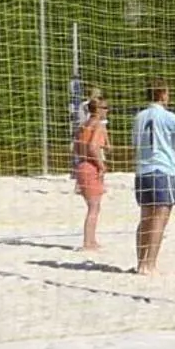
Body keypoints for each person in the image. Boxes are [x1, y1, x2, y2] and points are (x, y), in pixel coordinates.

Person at [132, 82, 175, 275]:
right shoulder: (166, 116)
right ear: (162, 95)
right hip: (162, 169)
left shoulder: (139, 117)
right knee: (160, 219)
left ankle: (140, 262)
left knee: (145, 218)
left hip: (142, 171)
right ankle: (150, 263)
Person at [72, 90, 109, 251]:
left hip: (81, 165)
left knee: (93, 206)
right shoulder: (97, 126)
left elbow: (75, 147)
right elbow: (93, 147)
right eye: (106, 108)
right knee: (93, 208)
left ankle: (91, 240)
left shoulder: (83, 126)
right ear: (99, 110)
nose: (107, 111)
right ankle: (88, 242)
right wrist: (101, 166)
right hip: (90, 166)